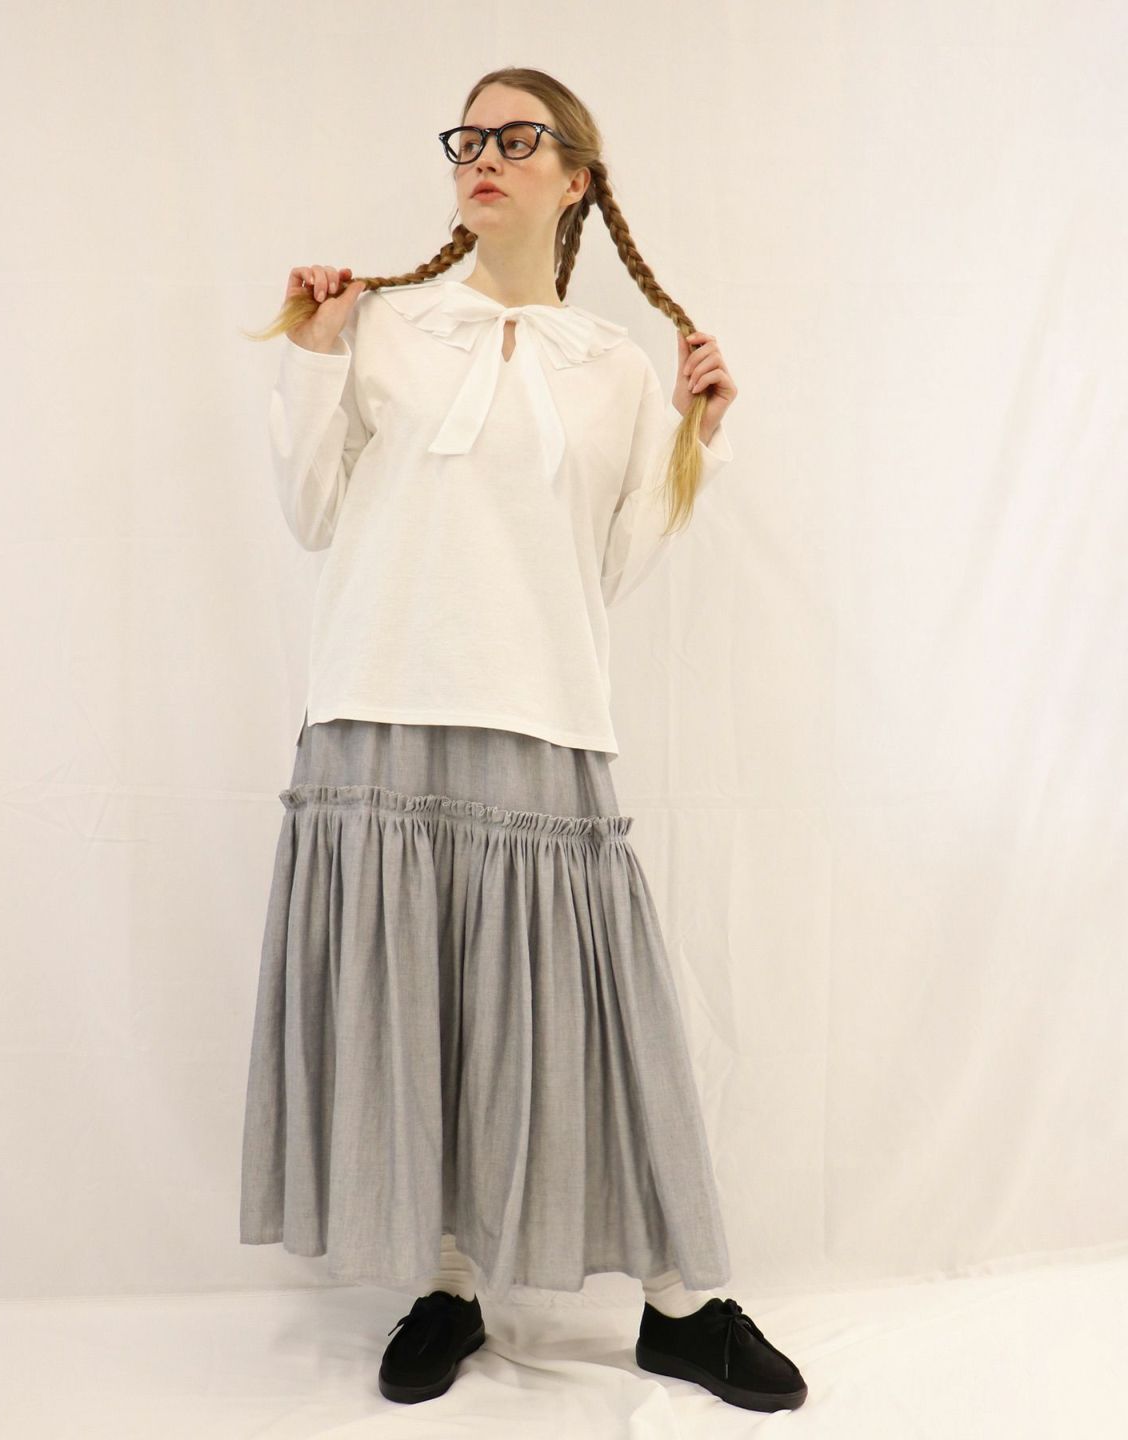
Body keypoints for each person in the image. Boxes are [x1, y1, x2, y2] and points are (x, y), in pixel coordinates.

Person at [237, 66, 807, 1413]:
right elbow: (311, 512)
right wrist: (315, 353)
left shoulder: (612, 368)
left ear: (575, 180)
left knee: (592, 1020)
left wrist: (701, 439)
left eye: (516, 138)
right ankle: (449, 1285)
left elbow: (608, 563)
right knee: (418, 1011)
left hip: (539, 715)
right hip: (376, 709)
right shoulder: (383, 328)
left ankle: (683, 1309)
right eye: (469, 139)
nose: (483, 156)